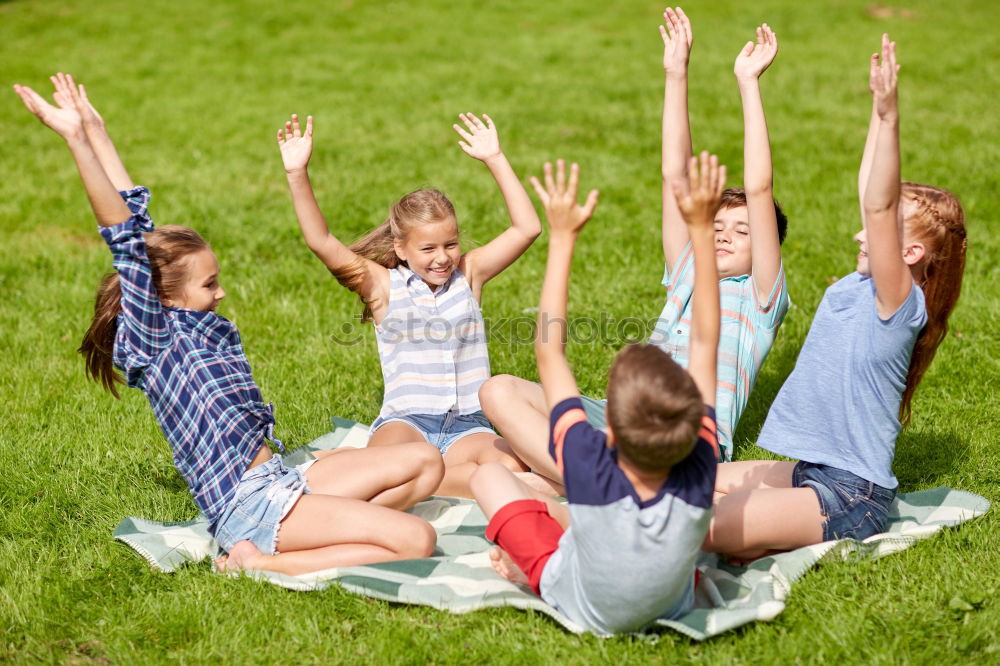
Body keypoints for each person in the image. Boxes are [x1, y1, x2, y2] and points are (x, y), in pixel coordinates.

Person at [14, 74, 443, 576]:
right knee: (417, 539)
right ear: (164, 295)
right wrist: (73, 142)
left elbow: (139, 223)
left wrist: (96, 132)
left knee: (426, 461)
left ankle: (324, 533)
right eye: (209, 285)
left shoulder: (183, 318)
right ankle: (256, 563)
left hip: (281, 479)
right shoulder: (155, 339)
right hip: (249, 506)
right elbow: (125, 241)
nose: (220, 293)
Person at [479, 10, 789, 489]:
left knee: (506, 467)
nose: (725, 234)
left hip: (684, 435)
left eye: (744, 231)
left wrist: (748, 84)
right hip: (620, 419)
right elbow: (675, 177)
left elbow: (760, 186)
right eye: (718, 224)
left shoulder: (761, 297)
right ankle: (589, 479)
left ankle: (581, 480)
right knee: (497, 390)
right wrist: (675, 74)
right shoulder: (688, 266)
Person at [704, 36, 967, 561]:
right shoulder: (860, 285)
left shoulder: (899, 304)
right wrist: (876, 109)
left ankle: (564, 538)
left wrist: (891, 120)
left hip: (850, 498)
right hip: (812, 473)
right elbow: (869, 189)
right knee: (682, 483)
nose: (862, 235)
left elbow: (878, 203)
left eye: (884, 233)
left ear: (910, 252)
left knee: (684, 524)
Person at [469, 155, 721, 635]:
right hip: (673, 606)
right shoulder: (700, 467)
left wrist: (562, 239)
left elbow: (550, 355)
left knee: (487, 478)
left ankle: (532, 573)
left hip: (581, 604)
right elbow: (706, 342)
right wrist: (702, 230)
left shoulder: (586, 464)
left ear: (611, 431)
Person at [278, 111, 541, 497]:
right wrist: (296, 174)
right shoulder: (383, 286)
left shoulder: (469, 275)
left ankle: (423, 477)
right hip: (408, 423)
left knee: (508, 463)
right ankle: (433, 476)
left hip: (468, 425)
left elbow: (527, 228)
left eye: (450, 244)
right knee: (396, 462)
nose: (442, 257)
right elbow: (322, 241)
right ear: (400, 248)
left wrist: (495, 158)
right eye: (428, 248)